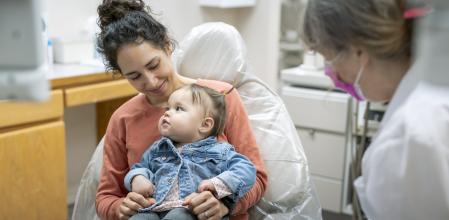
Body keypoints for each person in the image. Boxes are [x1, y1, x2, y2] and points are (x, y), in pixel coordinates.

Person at [95, 1, 267, 220]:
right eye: (134, 76)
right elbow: (106, 197)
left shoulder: (219, 98)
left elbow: (257, 178)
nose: (151, 81)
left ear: (167, 46)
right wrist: (120, 207)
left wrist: (226, 205)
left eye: (153, 65)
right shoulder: (123, 119)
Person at [301, 0, 449, 219]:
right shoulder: (433, 93)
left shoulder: (406, 139)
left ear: (358, 51)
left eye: (328, 58)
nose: (332, 75)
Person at [124, 84, 257, 220]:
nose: (167, 113)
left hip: (192, 211)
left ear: (205, 125)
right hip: (155, 209)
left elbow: (247, 169)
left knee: (179, 217)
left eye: (179, 108)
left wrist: (218, 184)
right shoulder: (157, 149)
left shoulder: (220, 151)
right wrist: (137, 177)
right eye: (168, 108)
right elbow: (139, 168)